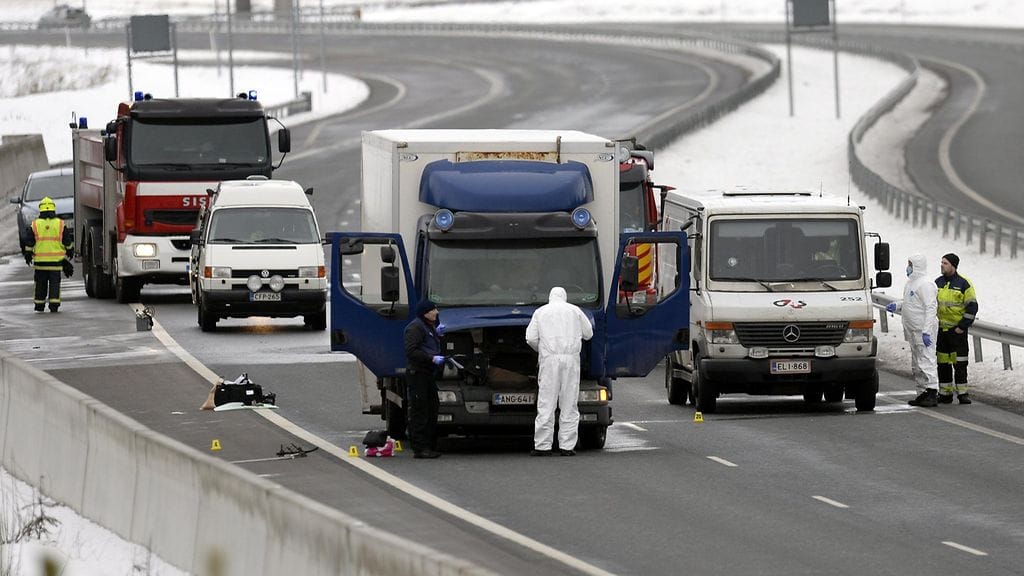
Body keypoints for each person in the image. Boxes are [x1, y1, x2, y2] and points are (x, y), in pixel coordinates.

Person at [525, 286, 593, 456]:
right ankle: (567, 446)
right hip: (570, 360)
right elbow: (589, 334)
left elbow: (530, 338)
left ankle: (543, 446)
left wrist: (542, 349)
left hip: (549, 360)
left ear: (550, 297)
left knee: (546, 403)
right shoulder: (575, 311)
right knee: (569, 403)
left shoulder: (541, 312)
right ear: (564, 297)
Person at [885, 254, 939, 407]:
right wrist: (898, 305)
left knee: (927, 360)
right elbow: (912, 302)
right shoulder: (911, 283)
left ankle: (932, 391)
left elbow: (930, 307)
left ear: (917, 266)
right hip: (913, 330)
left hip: (923, 330)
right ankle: (922, 392)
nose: (907, 267)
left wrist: (927, 331)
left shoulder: (926, 284)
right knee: (917, 363)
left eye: (910, 264)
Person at [935, 252, 979, 404]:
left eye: (945, 263)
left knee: (960, 363)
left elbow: (972, 306)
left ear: (953, 266)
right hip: (942, 331)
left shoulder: (964, 284)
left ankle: (962, 393)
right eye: (941, 262)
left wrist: (962, 327)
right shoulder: (937, 283)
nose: (942, 265)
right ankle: (945, 394)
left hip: (957, 332)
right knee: (943, 363)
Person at [403, 299, 444, 458]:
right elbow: (411, 351)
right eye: (433, 310)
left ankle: (429, 445)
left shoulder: (428, 326)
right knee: (420, 410)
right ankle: (420, 448)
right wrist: (431, 358)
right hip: (418, 373)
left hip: (427, 374)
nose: (436, 312)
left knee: (432, 407)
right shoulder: (415, 328)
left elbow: (428, 343)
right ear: (425, 313)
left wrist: (437, 335)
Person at [23, 196, 73, 313]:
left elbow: (29, 242)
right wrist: (69, 251)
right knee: (55, 284)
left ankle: (39, 305)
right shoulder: (60, 224)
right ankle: (54, 305)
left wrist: (28, 254)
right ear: (53, 210)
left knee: (40, 284)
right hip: (55, 264)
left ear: (41, 210)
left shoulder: (35, 225)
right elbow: (67, 241)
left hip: (40, 263)